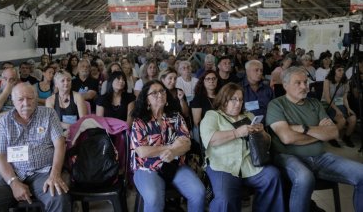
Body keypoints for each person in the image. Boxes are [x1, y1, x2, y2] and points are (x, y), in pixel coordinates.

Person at [266, 66, 363, 212]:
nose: (304, 86)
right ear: (285, 85)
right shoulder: (276, 105)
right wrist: (319, 134)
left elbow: (334, 133)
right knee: (305, 178)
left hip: (320, 157)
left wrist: (304, 128)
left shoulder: (315, 103)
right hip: (289, 156)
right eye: (298, 83)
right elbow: (286, 138)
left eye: (305, 82)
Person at [0, 83, 71, 212]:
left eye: (30, 98)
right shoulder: (4, 121)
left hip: (43, 172)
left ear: (36, 98)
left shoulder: (48, 114)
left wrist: (55, 174)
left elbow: (60, 144)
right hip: (12, 172)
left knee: (59, 198)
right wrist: (13, 182)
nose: (26, 103)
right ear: (13, 101)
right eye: (21, 99)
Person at [200, 83, 284, 212]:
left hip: (249, 163)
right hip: (223, 165)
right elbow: (210, 140)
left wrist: (262, 132)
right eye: (233, 99)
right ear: (224, 99)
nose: (238, 103)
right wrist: (237, 133)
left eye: (240, 99)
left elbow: (267, 143)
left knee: (273, 176)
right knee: (224, 198)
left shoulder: (248, 116)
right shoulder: (212, 115)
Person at [130, 80, 205, 212]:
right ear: (147, 100)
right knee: (153, 199)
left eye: (162, 91)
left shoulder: (175, 117)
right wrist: (171, 148)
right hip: (147, 168)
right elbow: (142, 152)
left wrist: (174, 152)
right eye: (154, 93)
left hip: (174, 165)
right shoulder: (140, 121)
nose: (160, 94)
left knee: (198, 193)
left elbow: (186, 144)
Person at [322, 63, 356, 147]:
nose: (342, 72)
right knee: (342, 121)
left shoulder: (345, 81)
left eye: (343, 70)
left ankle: (346, 137)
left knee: (353, 118)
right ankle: (331, 137)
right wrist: (337, 110)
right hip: (328, 104)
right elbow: (327, 98)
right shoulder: (327, 81)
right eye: (339, 70)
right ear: (334, 71)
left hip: (340, 103)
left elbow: (344, 98)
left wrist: (348, 108)